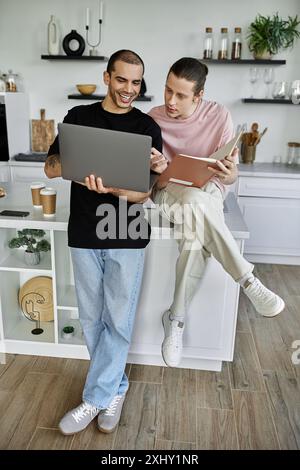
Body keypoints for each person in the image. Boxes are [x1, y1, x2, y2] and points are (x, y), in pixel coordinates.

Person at [44, 49, 167, 435]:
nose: (129, 89)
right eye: (121, 80)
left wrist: (117, 187)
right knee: (91, 319)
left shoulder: (147, 127)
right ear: (106, 77)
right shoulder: (78, 118)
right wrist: (77, 169)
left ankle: (94, 399)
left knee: (117, 319)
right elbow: (50, 168)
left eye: (136, 82)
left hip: (125, 229)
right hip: (83, 231)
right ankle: (117, 388)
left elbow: (146, 193)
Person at [148, 57, 285, 368]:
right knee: (195, 203)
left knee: (195, 234)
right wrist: (156, 169)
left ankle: (175, 320)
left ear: (199, 96)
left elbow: (231, 177)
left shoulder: (219, 115)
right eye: (168, 90)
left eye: (180, 95)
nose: (170, 100)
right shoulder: (152, 119)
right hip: (170, 191)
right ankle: (248, 281)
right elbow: (149, 179)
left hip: (208, 192)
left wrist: (228, 173)